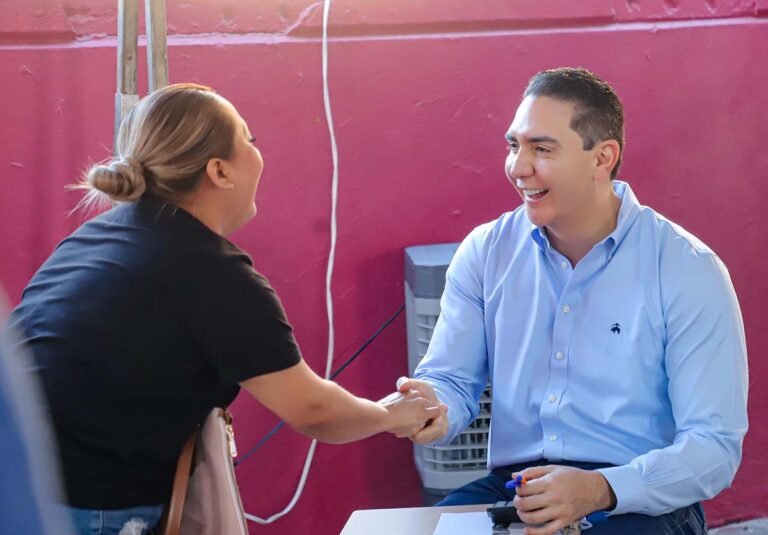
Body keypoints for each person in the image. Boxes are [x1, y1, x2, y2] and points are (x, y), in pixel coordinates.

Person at [6, 83, 442, 535]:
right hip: (84, 504)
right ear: (219, 171)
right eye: (249, 140)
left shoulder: (93, 238)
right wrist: (395, 415)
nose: (258, 154)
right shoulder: (211, 272)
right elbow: (314, 410)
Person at [394, 67, 748, 535]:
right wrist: (433, 404)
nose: (519, 167)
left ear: (602, 158)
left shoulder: (687, 268)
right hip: (518, 489)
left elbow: (714, 447)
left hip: (641, 500)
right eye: (514, 145)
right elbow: (452, 380)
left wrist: (600, 488)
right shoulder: (486, 251)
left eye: (542, 149)